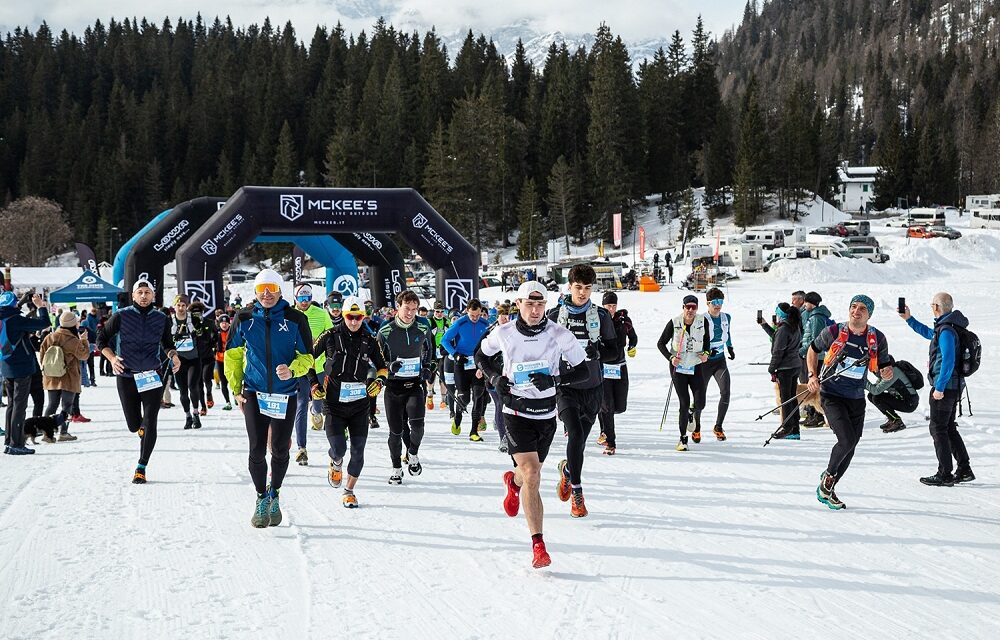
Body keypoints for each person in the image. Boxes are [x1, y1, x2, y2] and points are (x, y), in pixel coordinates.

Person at [475, 280, 589, 568]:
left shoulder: (559, 334)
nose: (535, 310)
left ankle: (512, 483)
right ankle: (538, 545)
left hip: (545, 415)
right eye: (529, 304)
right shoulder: (503, 333)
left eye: (540, 304)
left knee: (527, 475)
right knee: (533, 473)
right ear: (518, 304)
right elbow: (481, 356)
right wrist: (495, 378)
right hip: (515, 412)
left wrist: (555, 380)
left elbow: (584, 371)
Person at [225, 269, 314, 528]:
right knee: (256, 449)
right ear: (255, 292)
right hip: (254, 392)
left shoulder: (295, 318)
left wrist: (292, 370)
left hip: (285, 393)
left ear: (279, 291)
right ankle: (261, 497)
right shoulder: (243, 318)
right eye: (262, 289)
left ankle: (274, 492)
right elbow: (232, 355)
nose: (267, 294)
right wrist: (236, 389)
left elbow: (307, 357)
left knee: (280, 448)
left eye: (272, 289)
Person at [807, 294, 892, 509]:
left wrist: (887, 372)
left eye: (862, 308)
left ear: (869, 314)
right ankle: (828, 479)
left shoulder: (878, 338)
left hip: (856, 397)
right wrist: (812, 375)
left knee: (851, 445)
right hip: (831, 395)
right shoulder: (834, 331)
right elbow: (812, 349)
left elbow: (883, 365)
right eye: (853, 306)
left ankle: (829, 488)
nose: (856, 311)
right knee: (846, 440)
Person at [547, 265, 617, 517]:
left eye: (588, 288)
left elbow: (614, 351)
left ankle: (568, 471)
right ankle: (577, 493)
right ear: (569, 286)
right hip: (566, 387)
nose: (583, 293)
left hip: (593, 387)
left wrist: (598, 353)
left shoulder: (601, 315)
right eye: (578, 287)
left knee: (579, 443)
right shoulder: (554, 315)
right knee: (575, 434)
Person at [97, 279, 181, 482]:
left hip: (152, 375)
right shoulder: (121, 315)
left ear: (153, 295)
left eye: (147, 292)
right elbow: (101, 340)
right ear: (133, 295)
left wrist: (174, 356)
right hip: (127, 376)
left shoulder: (162, 318)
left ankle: (141, 466)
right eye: (140, 292)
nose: (144, 296)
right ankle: (140, 429)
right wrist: (112, 358)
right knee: (134, 425)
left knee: (151, 421)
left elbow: (168, 344)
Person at [309, 296, 388, 507]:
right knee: (339, 449)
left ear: (363, 317)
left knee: (358, 450)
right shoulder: (329, 336)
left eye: (358, 317)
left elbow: (383, 367)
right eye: (350, 317)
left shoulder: (370, 340)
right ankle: (335, 462)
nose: (354, 321)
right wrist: (314, 384)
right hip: (334, 403)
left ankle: (349, 491)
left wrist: (379, 382)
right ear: (344, 316)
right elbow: (308, 358)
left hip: (359, 405)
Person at [900, 293, 975, 485]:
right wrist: (909, 319)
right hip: (953, 386)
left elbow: (948, 361)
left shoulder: (947, 331)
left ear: (936, 307)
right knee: (947, 427)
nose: (931, 307)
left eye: (932, 304)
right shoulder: (948, 327)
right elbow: (929, 333)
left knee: (938, 428)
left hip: (945, 387)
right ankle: (964, 469)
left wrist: (939, 388)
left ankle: (945, 474)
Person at [376, 290, 435, 483]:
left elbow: (430, 351)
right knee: (396, 432)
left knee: (418, 426)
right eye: (407, 308)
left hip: (414, 385)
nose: (410, 313)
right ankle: (396, 469)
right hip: (393, 388)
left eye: (414, 309)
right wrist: (388, 367)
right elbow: (376, 360)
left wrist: (427, 368)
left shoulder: (423, 327)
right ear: (397, 307)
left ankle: (413, 453)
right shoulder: (386, 330)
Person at [2, 291, 53, 455]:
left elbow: (11, 310)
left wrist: (21, 303)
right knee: (19, 406)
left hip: (5, 365)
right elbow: (44, 323)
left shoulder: (4, 318)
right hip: (22, 367)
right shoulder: (16, 320)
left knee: (11, 404)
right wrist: (41, 307)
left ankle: (9, 441)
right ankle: (16, 444)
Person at [657, 295, 710, 451]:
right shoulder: (674, 322)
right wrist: (671, 357)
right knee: (684, 402)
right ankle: (683, 439)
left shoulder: (703, 321)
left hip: (696, 366)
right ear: (683, 307)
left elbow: (707, 341)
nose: (690, 310)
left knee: (700, 403)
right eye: (688, 307)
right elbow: (660, 344)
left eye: (694, 307)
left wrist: (706, 354)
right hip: (678, 368)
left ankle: (691, 413)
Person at [291, 284, 333, 466]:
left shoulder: (321, 314)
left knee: (318, 402)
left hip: (319, 366)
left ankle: (315, 411)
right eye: (301, 298)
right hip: (300, 367)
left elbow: (331, 337)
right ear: (295, 298)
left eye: (308, 298)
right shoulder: (289, 314)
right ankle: (302, 449)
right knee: (301, 403)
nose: (305, 301)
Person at [442, 299, 491, 441]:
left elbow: (490, 344)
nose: (475, 318)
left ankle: (474, 431)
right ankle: (457, 418)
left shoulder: (485, 324)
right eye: (472, 315)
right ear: (467, 311)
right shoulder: (460, 323)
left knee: (478, 395)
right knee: (464, 398)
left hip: (478, 364)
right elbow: (445, 340)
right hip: (462, 364)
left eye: (477, 315)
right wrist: (455, 354)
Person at [38, 311, 90, 442]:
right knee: (67, 406)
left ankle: (46, 433)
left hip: (51, 376)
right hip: (69, 378)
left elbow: (42, 357)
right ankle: (63, 432)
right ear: (72, 324)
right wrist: (84, 340)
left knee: (51, 405)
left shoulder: (49, 337)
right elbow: (84, 355)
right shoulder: (73, 340)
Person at [597, 292, 637, 455]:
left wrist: (632, 347)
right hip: (604, 367)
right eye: (608, 306)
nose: (611, 309)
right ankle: (610, 441)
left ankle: (604, 425)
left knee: (620, 407)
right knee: (608, 406)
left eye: (614, 306)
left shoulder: (624, 320)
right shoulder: (598, 319)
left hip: (620, 366)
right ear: (603, 306)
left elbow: (633, 337)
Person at [701, 288, 734, 441]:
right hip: (705, 362)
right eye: (714, 302)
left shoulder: (726, 317)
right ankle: (696, 426)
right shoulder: (701, 319)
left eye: (720, 302)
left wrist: (730, 347)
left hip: (720, 361)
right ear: (708, 303)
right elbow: (697, 340)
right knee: (700, 396)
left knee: (726, 392)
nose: (718, 305)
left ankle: (718, 426)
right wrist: (707, 351)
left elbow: (727, 333)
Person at [767, 302, 803, 440]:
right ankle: (795, 429)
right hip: (795, 366)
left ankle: (787, 428)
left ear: (780, 314)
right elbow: (778, 339)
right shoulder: (794, 326)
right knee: (792, 398)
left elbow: (778, 351)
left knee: (786, 399)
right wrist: (765, 325)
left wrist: (772, 368)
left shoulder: (784, 329)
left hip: (785, 368)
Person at [171, 294, 207, 429]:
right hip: (178, 360)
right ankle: (188, 416)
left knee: (193, 386)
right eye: (178, 305)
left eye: (183, 305)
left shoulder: (194, 319)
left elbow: (203, 333)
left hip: (193, 359)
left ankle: (196, 414)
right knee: (183, 390)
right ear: (174, 306)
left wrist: (197, 332)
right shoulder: (170, 320)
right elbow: (165, 339)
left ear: (187, 306)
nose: (181, 308)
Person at [798, 292, 831, 428]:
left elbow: (815, 341)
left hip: (815, 357)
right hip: (809, 355)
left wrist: (801, 351)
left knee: (812, 386)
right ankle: (813, 415)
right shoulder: (812, 316)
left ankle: (817, 417)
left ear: (811, 303)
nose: (804, 305)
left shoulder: (817, 318)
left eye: (806, 302)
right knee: (809, 385)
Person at [866, 356, 919, 433]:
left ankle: (897, 422)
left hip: (910, 403)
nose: (873, 370)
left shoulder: (891, 373)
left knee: (876, 398)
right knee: (871, 396)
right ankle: (892, 419)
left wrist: (863, 381)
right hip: (901, 398)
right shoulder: (886, 372)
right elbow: (876, 387)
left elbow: (876, 391)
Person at [190, 301, 217, 416]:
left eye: (199, 313)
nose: (197, 315)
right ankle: (203, 407)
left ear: (202, 313)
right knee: (198, 383)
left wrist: (214, 344)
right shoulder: (190, 324)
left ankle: (209, 394)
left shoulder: (209, 322)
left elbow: (216, 335)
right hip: (195, 357)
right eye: (194, 313)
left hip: (208, 356)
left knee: (206, 378)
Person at [426, 300, 451, 410]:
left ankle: (443, 400)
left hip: (443, 352)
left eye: (441, 311)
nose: (439, 314)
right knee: (431, 376)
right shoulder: (429, 321)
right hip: (432, 351)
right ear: (434, 311)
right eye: (437, 311)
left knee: (443, 376)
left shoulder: (447, 321)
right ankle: (429, 395)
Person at [213, 315, 233, 410]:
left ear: (229, 323)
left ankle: (236, 397)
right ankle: (227, 402)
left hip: (231, 360)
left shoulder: (233, 332)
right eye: (222, 323)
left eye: (226, 323)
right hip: (220, 360)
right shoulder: (216, 333)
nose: (224, 325)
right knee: (223, 382)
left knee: (233, 381)